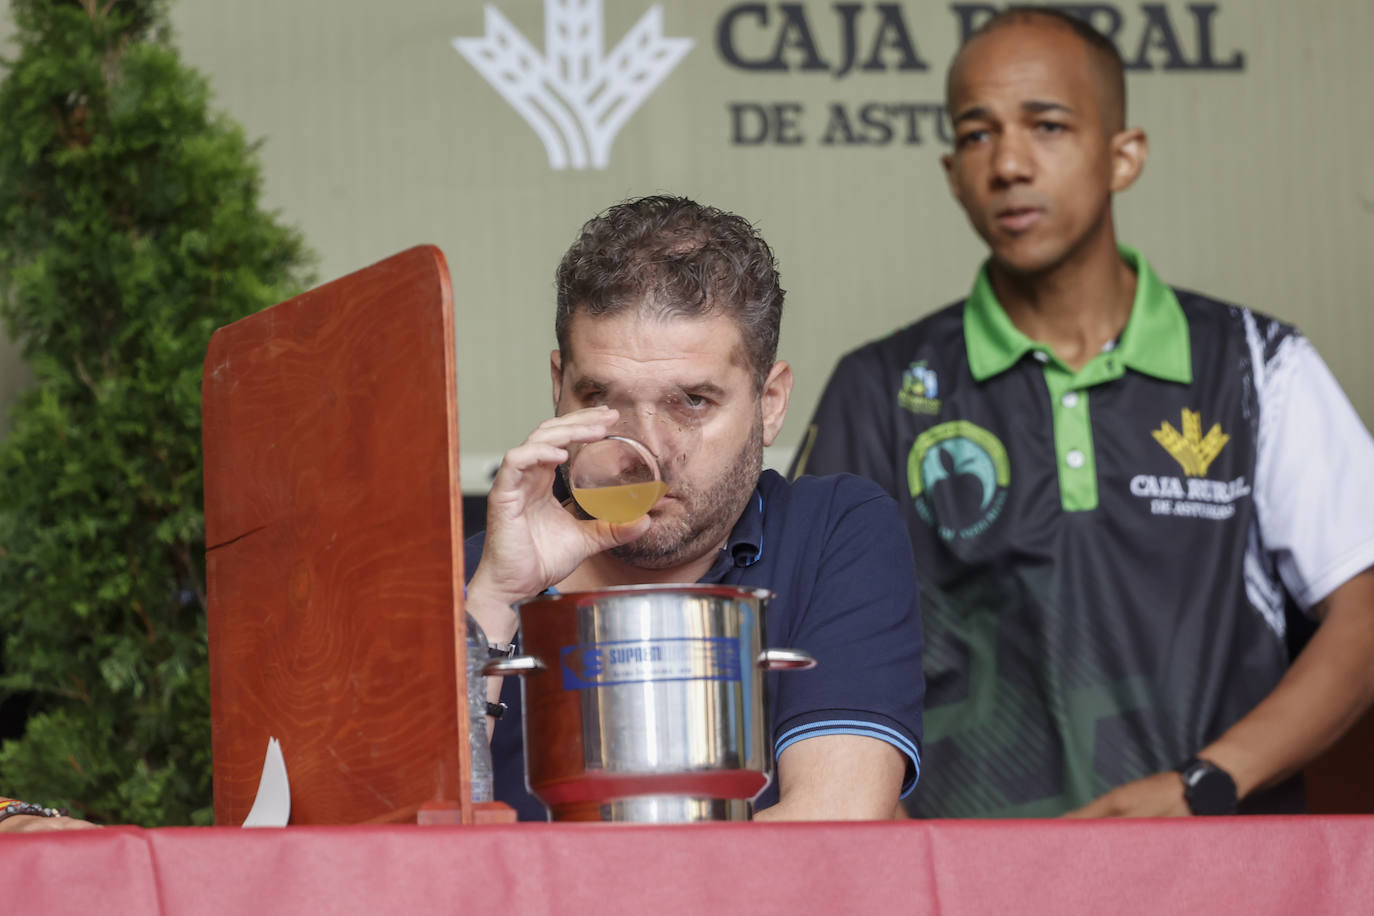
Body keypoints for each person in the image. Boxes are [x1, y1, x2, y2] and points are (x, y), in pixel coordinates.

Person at [791, 7, 1374, 818]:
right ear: (952, 171)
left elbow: (1364, 616)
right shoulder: (881, 385)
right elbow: (810, 654)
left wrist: (1201, 786)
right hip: (968, 891)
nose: (1009, 164)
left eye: (1049, 125)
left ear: (1123, 155)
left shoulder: (1257, 365)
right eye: (976, 134)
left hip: (1226, 877)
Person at [463, 195, 925, 820]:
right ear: (559, 388)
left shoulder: (831, 534)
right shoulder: (467, 582)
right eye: (601, 396)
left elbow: (832, 828)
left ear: (770, 401)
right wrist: (496, 600)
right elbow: (391, 859)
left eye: (692, 402)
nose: (646, 448)